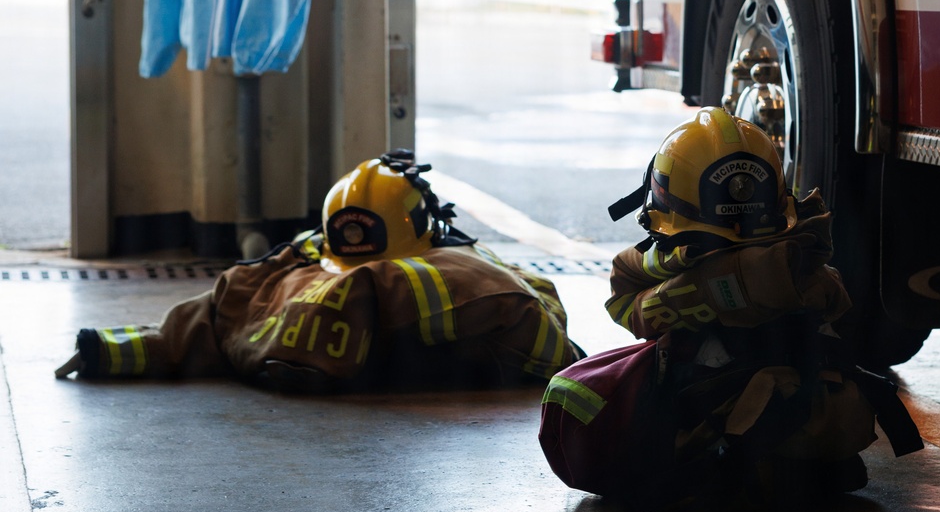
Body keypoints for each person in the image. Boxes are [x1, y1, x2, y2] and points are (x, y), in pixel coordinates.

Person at [539, 108, 922, 512]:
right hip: (826, 420)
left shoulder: (780, 274)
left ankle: (747, 464)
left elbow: (627, 298)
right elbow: (833, 301)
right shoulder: (803, 266)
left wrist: (689, 285)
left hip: (743, 421)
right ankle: (780, 468)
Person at [56, 152, 581, 393]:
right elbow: (548, 341)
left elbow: (204, 323)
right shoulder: (479, 283)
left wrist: (112, 349)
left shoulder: (288, 270)